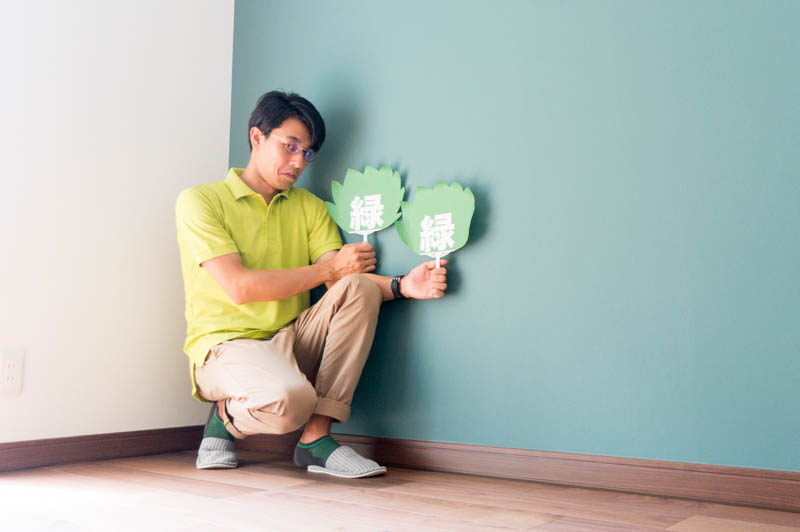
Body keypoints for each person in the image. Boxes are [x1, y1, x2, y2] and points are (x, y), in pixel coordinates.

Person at [175, 90, 448, 478]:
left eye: (307, 153)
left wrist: (403, 285)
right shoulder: (200, 201)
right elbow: (240, 288)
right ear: (257, 137)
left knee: (357, 288)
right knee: (293, 399)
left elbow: (343, 281)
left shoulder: (309, 206)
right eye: (290, 146)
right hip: (224, 348)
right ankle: (225, 416)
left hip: (292, 341)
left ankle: (316, 440)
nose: (299, 162)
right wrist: (330, 270)